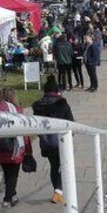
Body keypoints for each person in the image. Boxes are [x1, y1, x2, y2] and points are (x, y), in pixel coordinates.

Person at [32, 75, 74, 204]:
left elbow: (35, 124)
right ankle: (59, 191)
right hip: (60, 140)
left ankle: (57, 190)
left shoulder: (37, 105)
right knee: (64, 165)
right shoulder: (61, 103)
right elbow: (71, 121)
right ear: (57, 90)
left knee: (54, 166)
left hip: (46, 142)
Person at [0, 87, 31, 207]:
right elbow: (24, 133)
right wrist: (28, 151)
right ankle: (7, 199)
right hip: (15, 147)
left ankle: (12, 194)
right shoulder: (17, 110)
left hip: (0, 147)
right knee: (13, 174)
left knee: (7, 172)